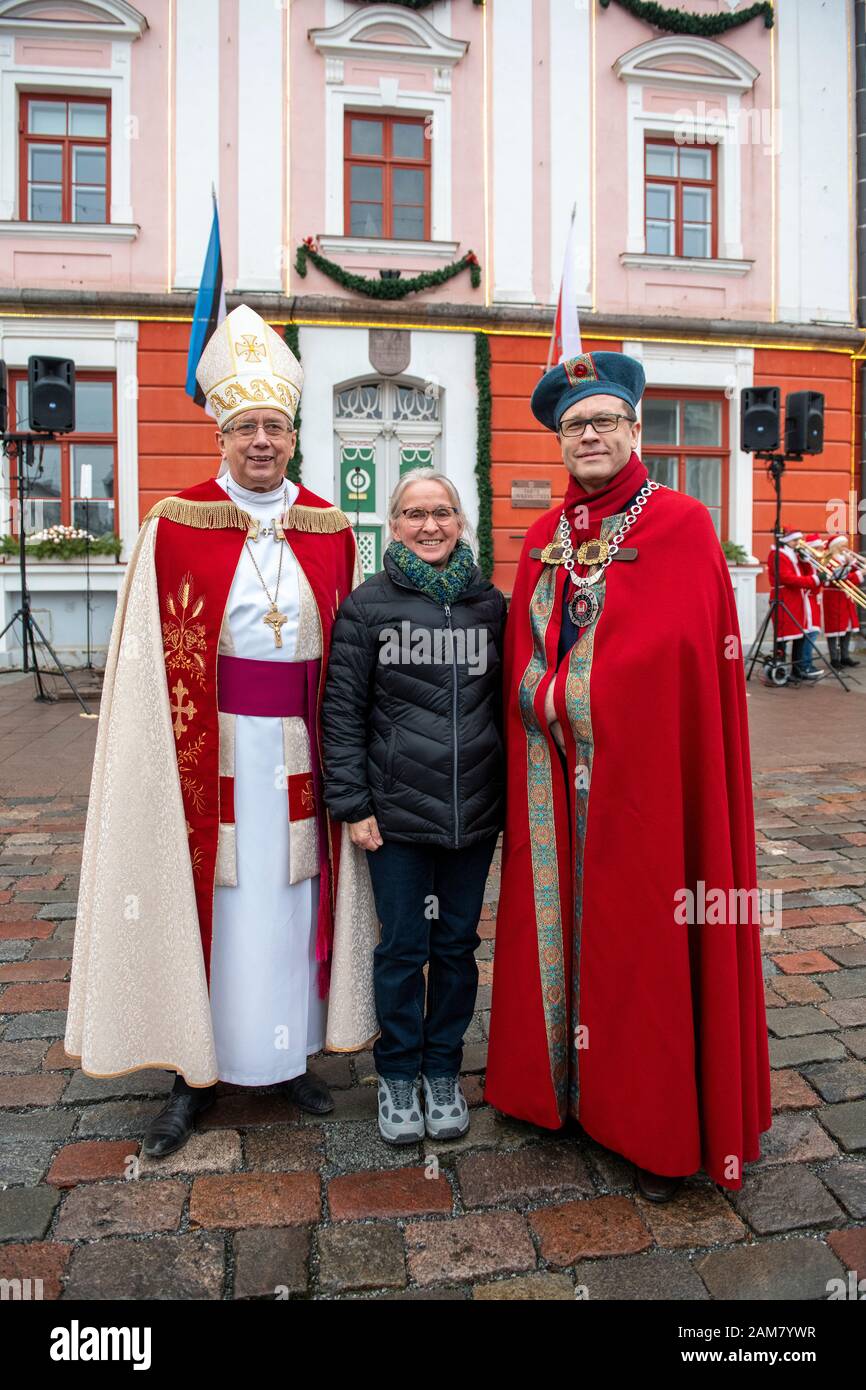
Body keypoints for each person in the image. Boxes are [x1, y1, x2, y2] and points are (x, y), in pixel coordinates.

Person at [65, 305, 378, 1156]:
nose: (263, 442)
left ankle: (288, 1057)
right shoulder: (174, 525)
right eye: (247, 428)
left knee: (294, 900)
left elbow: (348, 652)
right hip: (212, 748)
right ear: (222, 435)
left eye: (277, 426)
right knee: (218, 899)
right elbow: (141, 665)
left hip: (304, 752)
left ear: (295, 433)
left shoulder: (332, 530)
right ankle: (193, 1072)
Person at [485, 351, 771, 1202]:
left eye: (605, 420)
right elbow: (525, 655)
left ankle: (653, 1124)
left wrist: (588, 694)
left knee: (644, 942)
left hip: (648, 790)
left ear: (635, 428)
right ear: (561, 441)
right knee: (562, 925)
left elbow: (680, 663)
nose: (590, 436)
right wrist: (549, 700)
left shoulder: (681, 525)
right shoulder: (545, 537)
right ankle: (556, 1093)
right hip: (553, 782)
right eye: (575, 426)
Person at [322, 470, 506, 1144]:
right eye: (413, 513)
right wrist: (351, 802)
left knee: (457, 947)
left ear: (462, 521)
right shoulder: (366, 607)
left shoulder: (493, 606)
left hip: (475, 815)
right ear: (393, 526)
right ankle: (397, 1074)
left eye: (442, 512)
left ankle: (441, 1069)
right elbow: (340, 714)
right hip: (394, 817)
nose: (429, 525)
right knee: (402, 949)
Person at [764, 528, 821, 683]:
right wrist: (814, 580)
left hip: (797, 599)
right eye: (795, 540)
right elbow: (786, 578)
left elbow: (804, 573)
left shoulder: (793, 555)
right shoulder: (777, 555)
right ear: (785, 540)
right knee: (782, 635)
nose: (798, 543)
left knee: (800, 635)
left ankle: (798, 669)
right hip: (784, 598)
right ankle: (780, 667)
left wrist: (805, 560)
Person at [822, 535, 863, 669]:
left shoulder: (845, 558)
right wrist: (858, 572)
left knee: (848, 626)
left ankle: (845, 656)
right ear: (835, 546)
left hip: (846, 597)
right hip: (834, 597)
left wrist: (855, 565)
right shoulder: (830, 560)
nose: (846, 548)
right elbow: (840, 580)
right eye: (843, 545)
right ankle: (834, 658)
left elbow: (852, 576)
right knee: (834, 628)